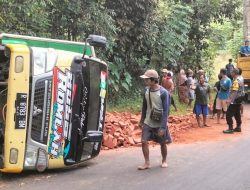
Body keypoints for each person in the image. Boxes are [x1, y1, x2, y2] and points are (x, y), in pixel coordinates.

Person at [139, 69, 172, 170]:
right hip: (148, 121)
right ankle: (147, 163)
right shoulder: (146, 90)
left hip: (160, 122)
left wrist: (163, 127)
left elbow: (166, 111)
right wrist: (141, 120)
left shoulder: (163, 93)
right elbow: (144, 106)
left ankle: (164, 160)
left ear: (153, 80)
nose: (145, 82)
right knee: (144, 141)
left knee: (163, 143)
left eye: (147, 80)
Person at [223, 69, 242, 134]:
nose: (230, 73)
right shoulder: (240, 79)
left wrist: (230, 101)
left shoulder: (236, 81)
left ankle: (230, 128)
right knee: (237, 113)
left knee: (228, 114)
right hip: (239, 99)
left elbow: (234, 92)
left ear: (234, 73)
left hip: (235, 100)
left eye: (231, 72)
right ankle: (238, 127)